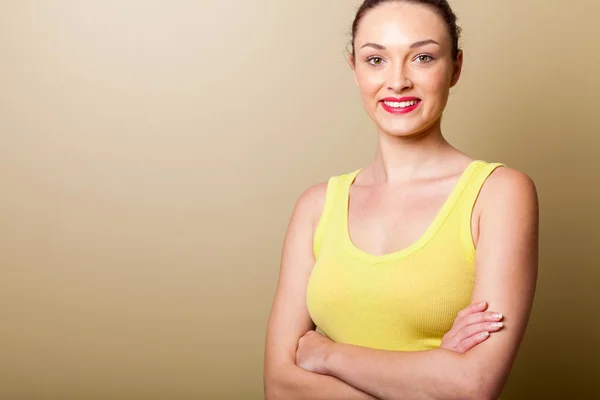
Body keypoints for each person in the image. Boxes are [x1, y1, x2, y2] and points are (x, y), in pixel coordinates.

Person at [264, 0, 539, 399]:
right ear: (354, 69)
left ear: (455, 67)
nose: (397, 82)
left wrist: (325, 354)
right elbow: (279, 385)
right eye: (375, 59)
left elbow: (472, 387)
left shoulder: (499, 194)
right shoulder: (316, 206)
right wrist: (430, 374)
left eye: (422, 57)